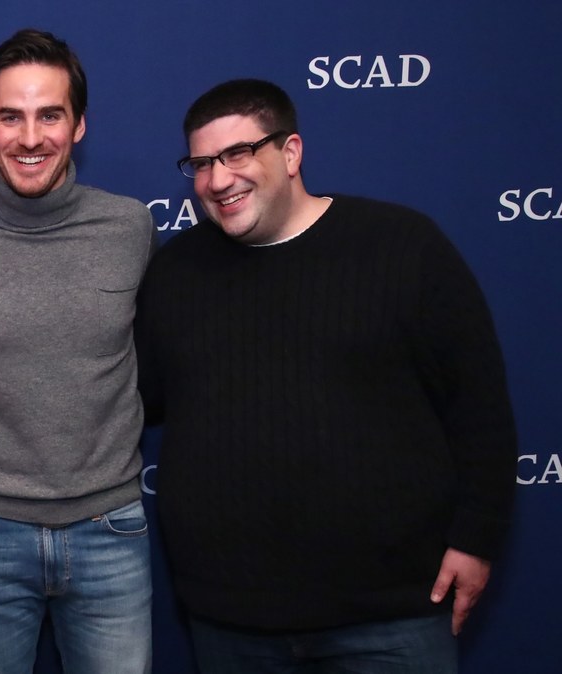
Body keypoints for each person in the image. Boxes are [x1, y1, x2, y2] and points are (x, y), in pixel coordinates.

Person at [137, 78, 517, 672]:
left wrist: (476, 538)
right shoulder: (174, 272)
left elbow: (481, 408)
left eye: (239, 154)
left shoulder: (403, 247)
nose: (217, 179)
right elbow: (137, 399)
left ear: (290, 153)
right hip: (230, 621)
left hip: (390, 618)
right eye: (202, 163)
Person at [0, 29, 155, 674]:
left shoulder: (131, 227)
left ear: (79, 125)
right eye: (9, 117)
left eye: (50, 114)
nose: (29, 137)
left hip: (112, 531)